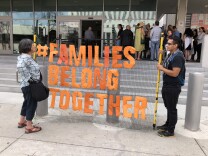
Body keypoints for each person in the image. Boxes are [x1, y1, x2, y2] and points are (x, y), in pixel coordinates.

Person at [157, 36, 186, 137]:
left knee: (172, 108)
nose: (167, 45)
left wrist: (161, 69)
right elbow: (164, 66)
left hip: (173, 86)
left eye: (169, 44)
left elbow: (174, 73)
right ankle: (167, 124)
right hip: (167, 85)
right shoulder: (170, 55)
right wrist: (160, 56)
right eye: (167, 43)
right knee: (168, 106)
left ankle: (170, 130)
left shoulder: (178, 56)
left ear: (175, 45)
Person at [17, 39, 42, 134]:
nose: (35, 47)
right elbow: (20, 67)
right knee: (32, 104)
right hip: (30, 86)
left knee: (27, 102)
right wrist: (30, 79)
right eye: (33, 45)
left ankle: (21, 121)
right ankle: (29, 126)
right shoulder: (25, 58)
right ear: (28, 47)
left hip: (26, 85)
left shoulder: (25, 57)